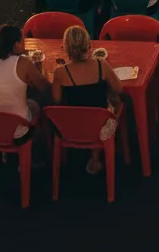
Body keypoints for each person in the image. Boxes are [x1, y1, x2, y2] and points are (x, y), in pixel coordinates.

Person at [51, 24, 124, 175]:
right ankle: (95, 158)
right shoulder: (101, 65)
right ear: (88, 45)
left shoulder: (60, 73)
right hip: (99, 126)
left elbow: (56, 99)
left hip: (71, 126)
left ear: (66, 48)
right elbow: (119, 88)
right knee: (109, 105)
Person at [0, 24, 52, 139]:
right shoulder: (24, 62)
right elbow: (45, 87)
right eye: (22, 41)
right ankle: (47, 142)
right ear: (16, 44)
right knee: (39, 102)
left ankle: (2, 154)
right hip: (17, 133)